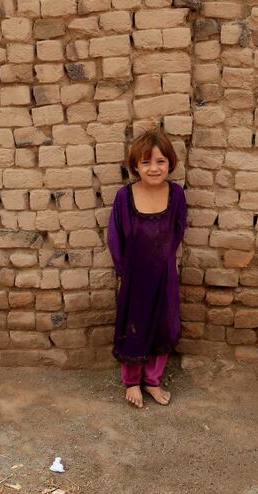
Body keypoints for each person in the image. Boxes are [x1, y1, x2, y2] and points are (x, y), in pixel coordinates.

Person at [106, 128, 187, 408]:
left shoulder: (176, 195)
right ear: (135, 166)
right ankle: (132, 381)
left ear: (170, 163)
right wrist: (125, 272)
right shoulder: (124, 197)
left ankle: (152, 380)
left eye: (161, 161)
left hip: (164, 275)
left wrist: (165, 263)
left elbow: (177, 231)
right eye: (146, 162)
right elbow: (115, 237)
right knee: (134, 326)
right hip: (134, 276)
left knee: (163, 326)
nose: (154, 168)